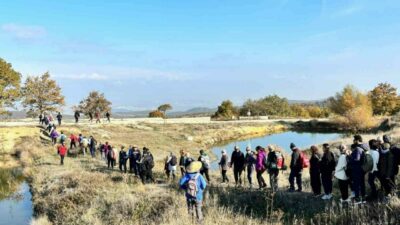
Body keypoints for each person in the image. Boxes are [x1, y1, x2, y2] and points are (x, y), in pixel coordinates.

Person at [350, 135, 367, 204]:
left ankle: (357, 199)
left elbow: (356, 159)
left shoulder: (357, 148)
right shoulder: (365, 146)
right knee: (362, 184)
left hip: (357, 169)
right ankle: (363, 198)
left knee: (356, 184)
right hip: (362, 169)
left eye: (354, 140)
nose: (353, 141)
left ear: (357, 140)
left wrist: (350, 157)